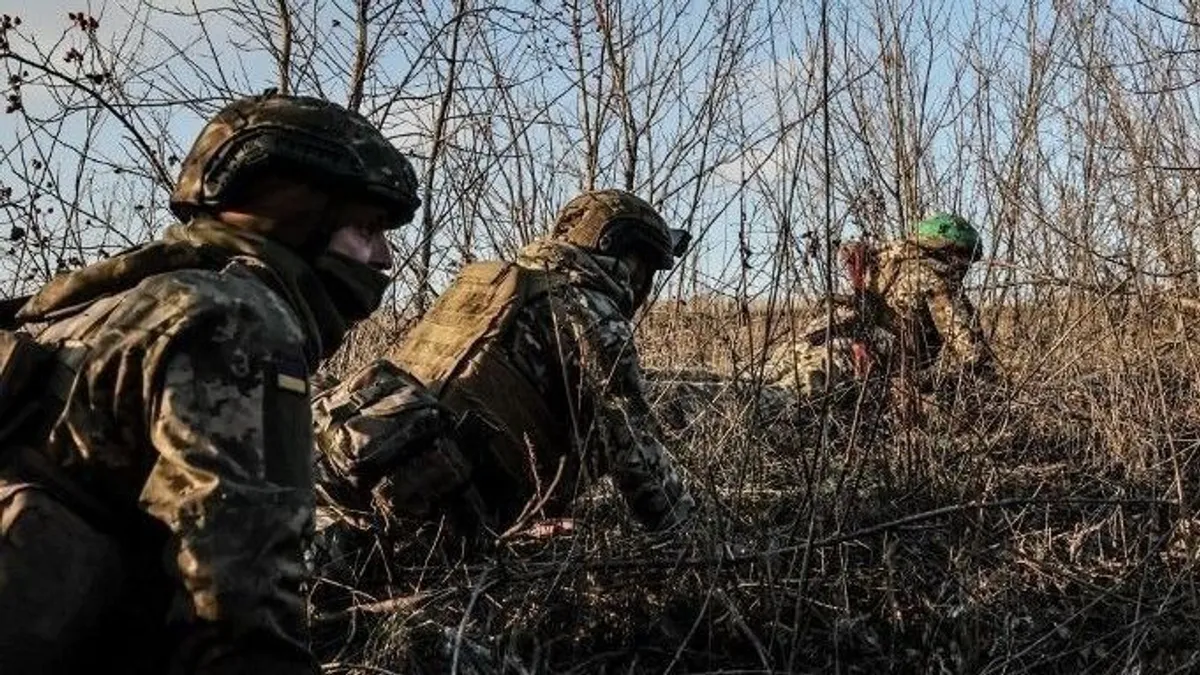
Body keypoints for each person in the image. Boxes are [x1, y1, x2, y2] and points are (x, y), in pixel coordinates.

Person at [0, 90, 419, 674]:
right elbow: (237, 602)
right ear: (298, 215)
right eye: (366, 228)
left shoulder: (87, 307)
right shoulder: (241, 322)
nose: (382, 256)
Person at [313, 189, 696, 543]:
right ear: (628, 258)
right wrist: (693, 541)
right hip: (434, 507)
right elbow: (634, 451)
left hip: (353, 460)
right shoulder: (590, 313)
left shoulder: (492, 283)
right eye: (646, 268)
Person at [769, 212, 997, 410]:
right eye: (966, 259)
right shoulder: (936, 281)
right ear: (952, 252)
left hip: (817, 335)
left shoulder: (884, 259)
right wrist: (992, 392)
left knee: (756, 378)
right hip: (852, 355)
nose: (965, 267)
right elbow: (971, 352)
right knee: (779, 400)